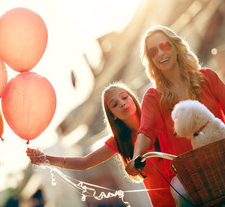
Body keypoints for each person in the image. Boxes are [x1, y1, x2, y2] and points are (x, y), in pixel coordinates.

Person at [125, 25, 225, 207]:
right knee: (183, 197)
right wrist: (136, 158)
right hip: (185, 174)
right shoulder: (153, 97)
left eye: (165, 46)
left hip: (222, 164)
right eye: (153, 51)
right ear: (150, 59)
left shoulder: (208, 77)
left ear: (175, 46)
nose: (160, 53)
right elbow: (146, 131)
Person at [26, 83, 176, 207]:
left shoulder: (155, 116)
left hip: (188, 185)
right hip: (163, 203)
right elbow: (85, 162)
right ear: (113, 116)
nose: (122, 103)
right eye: (115, 104)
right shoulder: (119, 141)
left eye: (125, 97)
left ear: (132, 98)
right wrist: (46, 159)